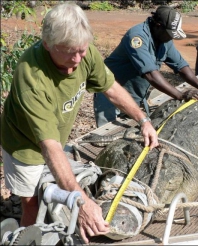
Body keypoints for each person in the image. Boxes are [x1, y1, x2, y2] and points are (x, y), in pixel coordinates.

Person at [0, 3, 158, 244]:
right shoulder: (31, 76)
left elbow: (112, 88)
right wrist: (81, 204)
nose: (76, 60)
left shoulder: (85, 52)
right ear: (47, 45)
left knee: (57, 186)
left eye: (81, 51)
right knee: (30, 204)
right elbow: (49, 147)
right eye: (68, 52)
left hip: (54, 134)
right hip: (25, 144)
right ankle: (26, 237)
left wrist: (143, 120)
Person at [94, 5, 198, 127]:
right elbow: (150, 74)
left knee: (134, 133)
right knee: (106, 135)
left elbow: (181, 66)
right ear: (158, 26)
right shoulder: (137, 37)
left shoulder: (164, 40)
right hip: (111, 93)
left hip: (134, 95)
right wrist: (180, 95)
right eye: (170, 33)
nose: (172, 37)